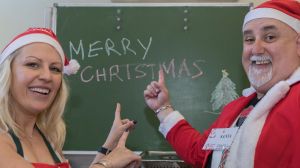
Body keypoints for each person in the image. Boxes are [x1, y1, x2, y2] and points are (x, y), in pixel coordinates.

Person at [144, 0, 300, 168]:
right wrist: (163, 108)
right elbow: (201, 153)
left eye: (269, 37)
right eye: (249, 39)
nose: (255, 49)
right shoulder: (236, 109)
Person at [0, 28, 141, 168]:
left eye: (55, 68)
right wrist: (107, 164)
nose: (47, 76)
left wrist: (110, 144)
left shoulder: (47, 137)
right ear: (7, 72)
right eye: (32, 64)